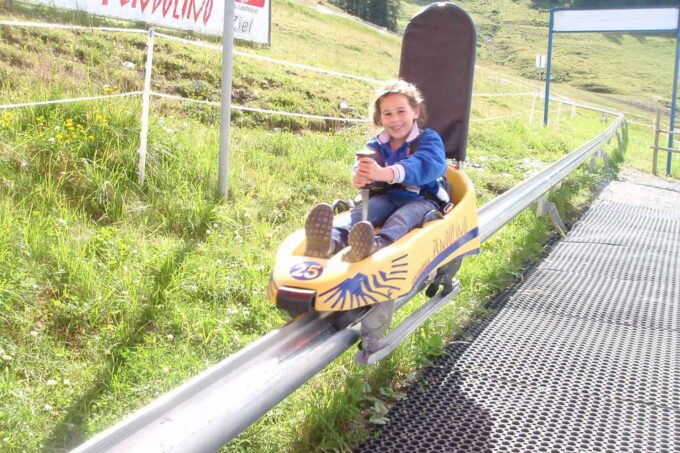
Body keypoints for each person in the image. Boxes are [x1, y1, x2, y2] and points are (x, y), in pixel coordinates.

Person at [304, 79, 448, 262]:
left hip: (422, 199)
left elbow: (427, 164)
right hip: (386, 197)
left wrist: (386, 173)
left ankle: (375, 245)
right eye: (387, 113)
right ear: (380, 117)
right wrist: (361, 176)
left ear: (415, 111)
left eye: (401, 111)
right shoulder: (377, 143)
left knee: (402, 219)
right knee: (363, 212)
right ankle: (328, 241)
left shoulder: (428, 139)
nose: (395, 119)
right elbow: (365, 165)